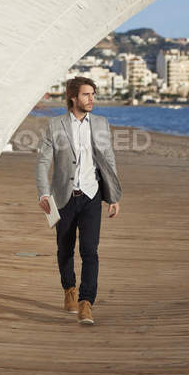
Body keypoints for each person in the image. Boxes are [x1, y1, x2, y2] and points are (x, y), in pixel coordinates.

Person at [36, 76, 122, 325]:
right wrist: (43, 193)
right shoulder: (55, 125)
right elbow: (43, 163)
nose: (91, 99)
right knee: (64, 249)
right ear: (74, 97)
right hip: (63, 197)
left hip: (92, 196)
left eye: (93, 94)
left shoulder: (102, 124)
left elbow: (108, 160)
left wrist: (113, 196)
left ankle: (86, 303)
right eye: (86, 94)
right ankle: (69, 291)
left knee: (89, 251)